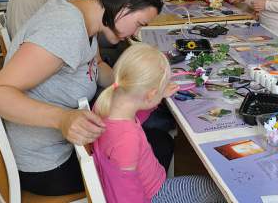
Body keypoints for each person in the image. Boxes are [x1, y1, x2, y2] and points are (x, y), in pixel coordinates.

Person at [0, 0, 163, 196]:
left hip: (59, 147)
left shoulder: (84, 8)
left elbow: (97, 66)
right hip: (47, 165)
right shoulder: (65, 30)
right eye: (139, 24)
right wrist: (63, 118)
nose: (136, 33)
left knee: (144, 133)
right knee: (158, 144)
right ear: (124, 7)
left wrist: (136, 83)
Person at [93, 43, 225, 203]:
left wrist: (159, 94)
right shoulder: (127, 139)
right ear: (150, 94)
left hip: (149, 184)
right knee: (218, 190)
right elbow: (127, 196)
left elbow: (135, 118)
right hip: (155, 195)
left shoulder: (106, 106)